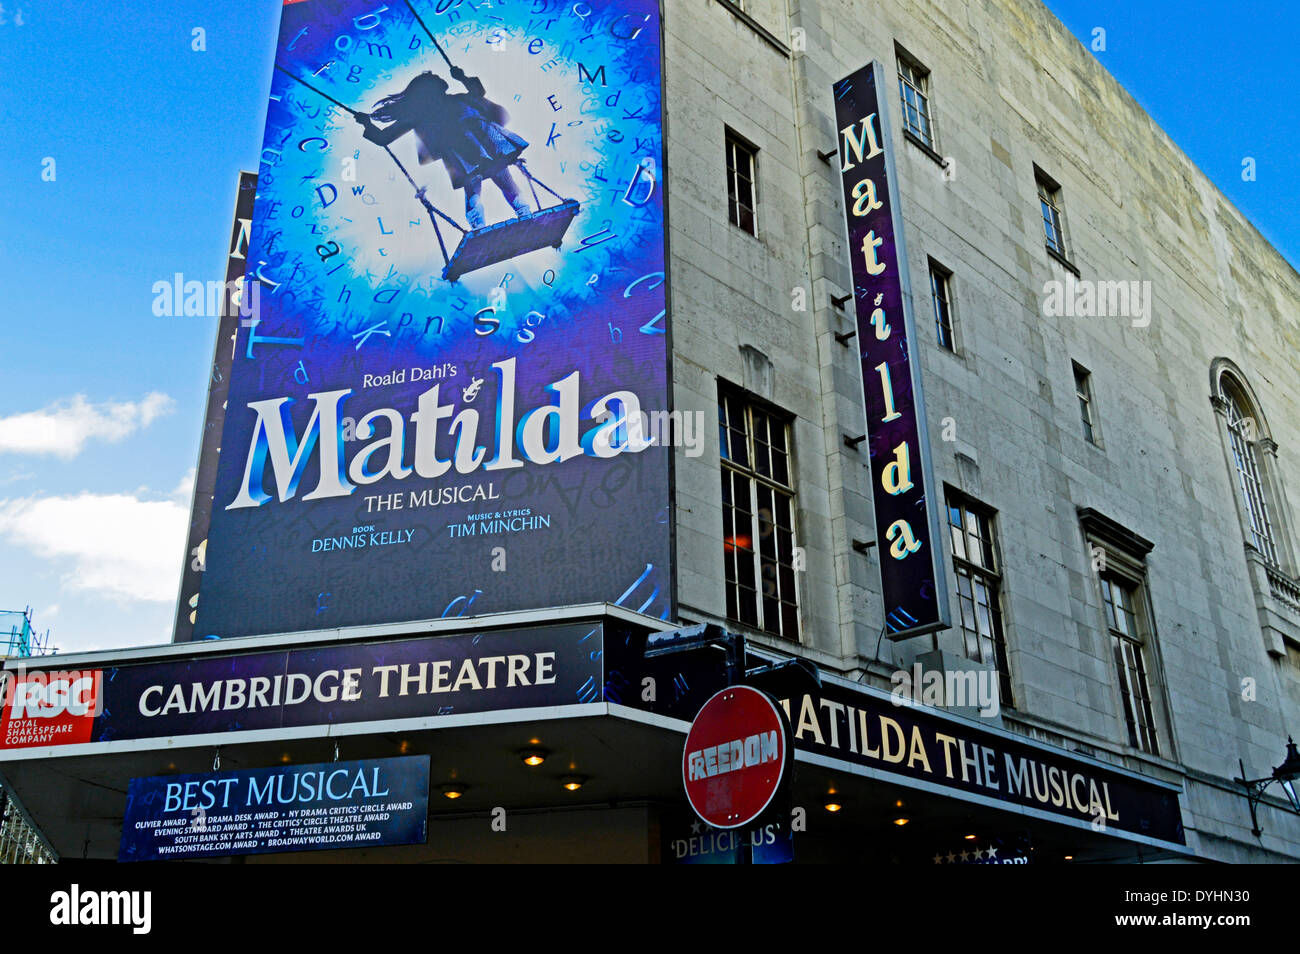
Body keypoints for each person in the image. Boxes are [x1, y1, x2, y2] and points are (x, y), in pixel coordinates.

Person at [355, 67, 532, 229]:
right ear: (428, 89)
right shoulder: (425, 113)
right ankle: (491, 222)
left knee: (493, 181)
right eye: (434, 78)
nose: (439, 77)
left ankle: (515, 215)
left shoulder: (456, 100)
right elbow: (384, 137)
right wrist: (367, 125)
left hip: (480, 146)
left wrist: (462, 77)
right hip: (466, 150)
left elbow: (478, 92)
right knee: (484, 183)